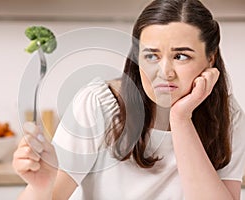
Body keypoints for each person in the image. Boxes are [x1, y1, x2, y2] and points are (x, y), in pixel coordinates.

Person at [13, 0, 245, 199]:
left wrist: (180, 117)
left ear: (210, 59)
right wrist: (39, 188)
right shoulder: (98, 104)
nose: (165, 72)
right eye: (151, 55)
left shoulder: (228, 116)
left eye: (181, 56)